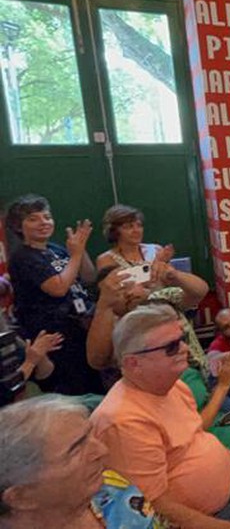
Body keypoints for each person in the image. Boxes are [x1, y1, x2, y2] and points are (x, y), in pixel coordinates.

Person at [90, 303, 230, 528]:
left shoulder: (174, 386)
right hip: (198, 518)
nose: (185, 349)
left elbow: (199, 436)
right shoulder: (122, 421)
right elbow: (154, 508)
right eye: (171, 347)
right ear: (133, 363)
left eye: (181, 340)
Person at [0, 395, 163, 529]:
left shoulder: (112, 489)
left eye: (89, 435)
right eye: (76, 450)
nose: (102, 450)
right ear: (23, 497)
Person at [4, 194, 104, 395]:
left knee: (94, 386)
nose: (44, 222)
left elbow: (89, 276)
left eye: (47, 217)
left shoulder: (55, 249)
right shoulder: (22, 257)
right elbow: (58, 288)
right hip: (54, 337)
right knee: (72, 393)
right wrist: (75, 254)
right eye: (33, 219)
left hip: (81, 328)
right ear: (18, 227)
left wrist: (80, 250)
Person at [95, 204, 174, 272]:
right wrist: (157, 263)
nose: (136, 231)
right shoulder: (106, 260)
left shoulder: (156, 250)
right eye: (129, 227)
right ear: (114, 231)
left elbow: (172, 280)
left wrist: (165, 263)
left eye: (139, 225)